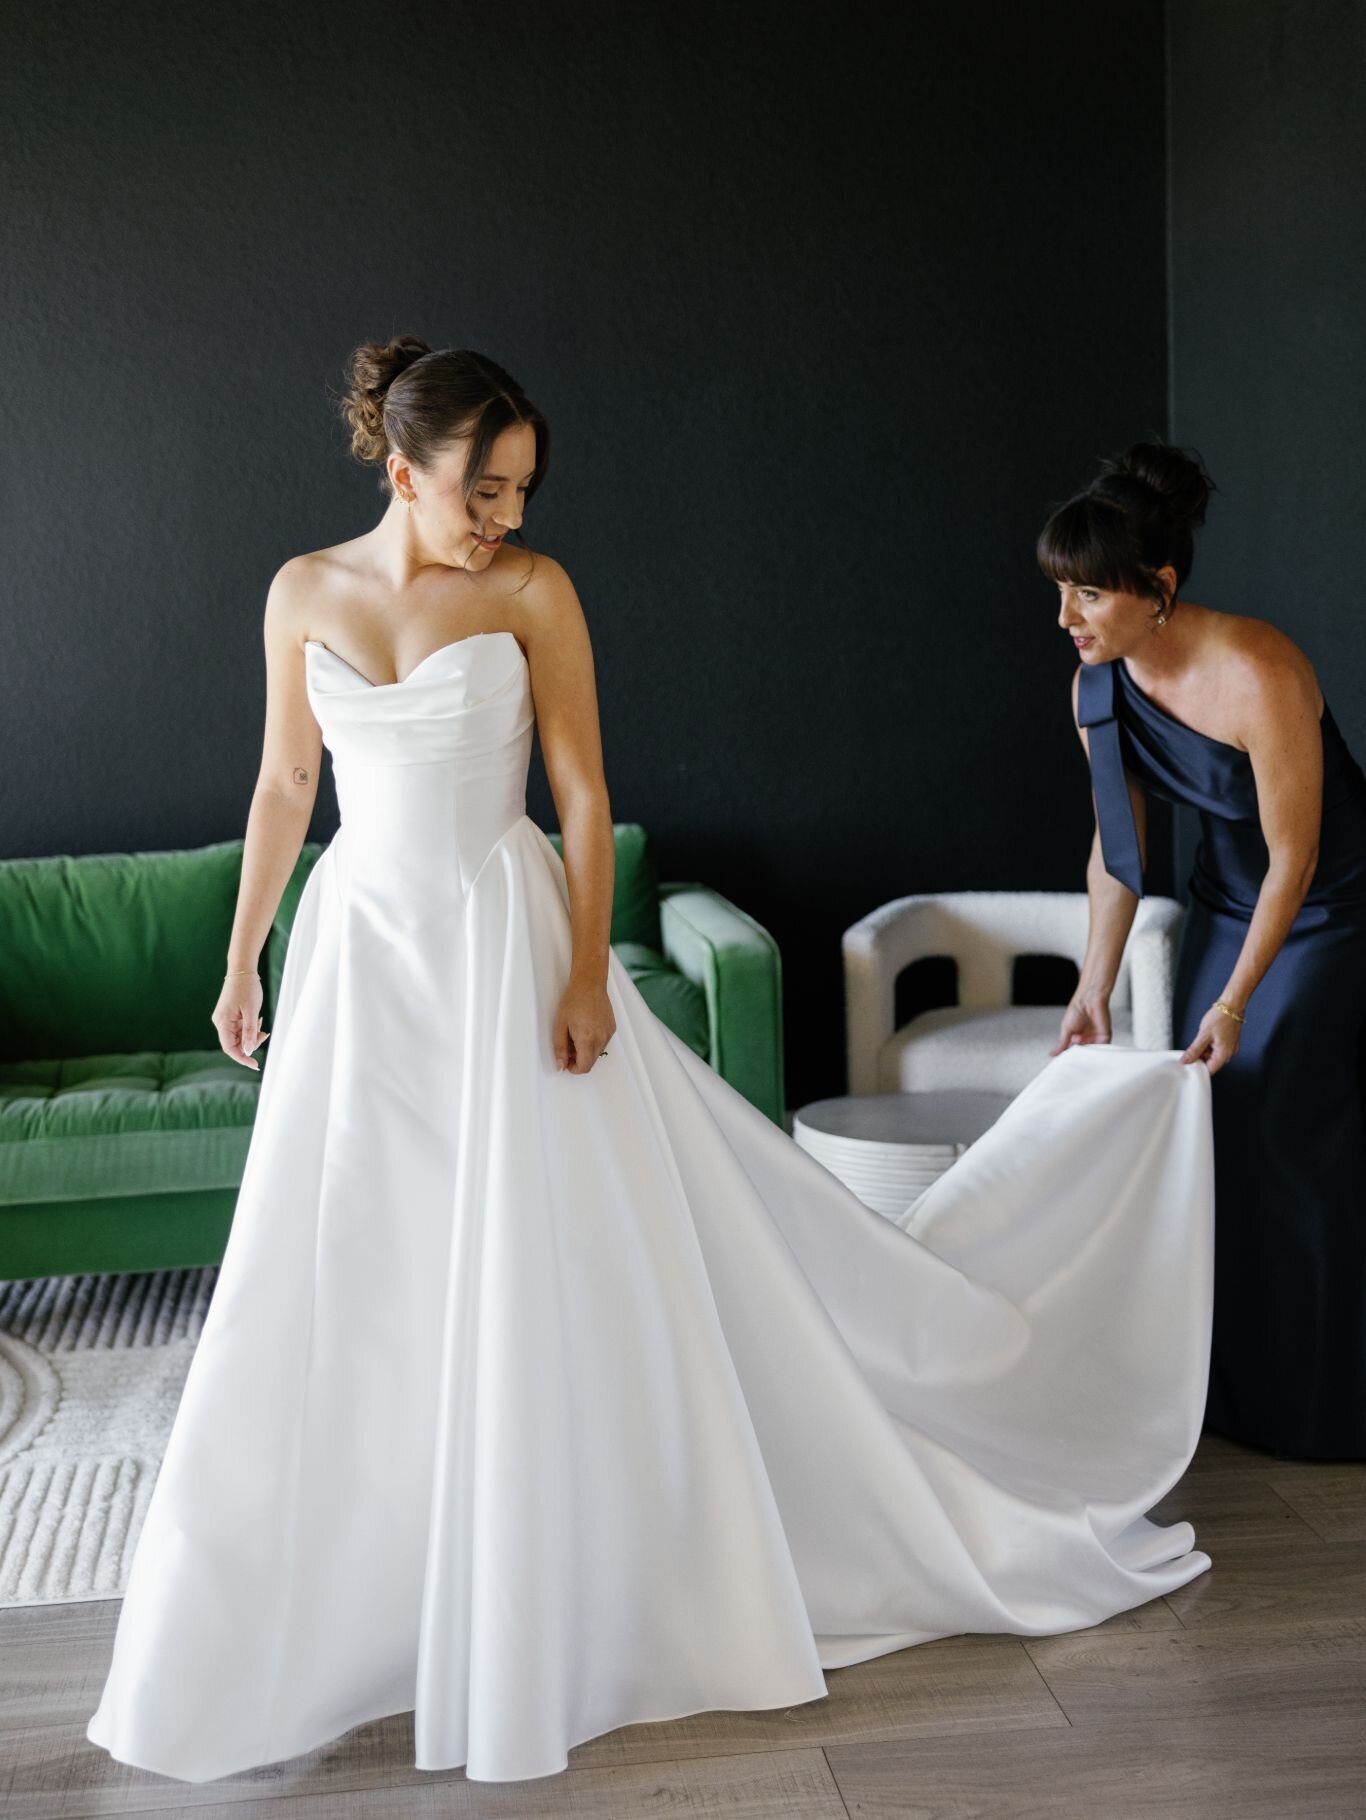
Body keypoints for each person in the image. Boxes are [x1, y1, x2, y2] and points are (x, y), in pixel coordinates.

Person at [86, 344, 1216, 1786]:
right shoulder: (300, 591)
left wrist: (581, 967)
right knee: (352, 1269)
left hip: (501, 950)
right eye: (482, 488)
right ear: (401, 467)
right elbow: (283, 785)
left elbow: (581, 790)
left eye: (521, 491)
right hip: (360, 954)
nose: (504, 514)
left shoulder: (532, 593)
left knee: (534, 1260)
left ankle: (549, 1578)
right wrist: (244, 957)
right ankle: (356, 1600)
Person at [1042, 438, 1366, 1462]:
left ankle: (1324, 1406)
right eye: (1060, 592)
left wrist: (1233, 1003)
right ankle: (1228, 1394)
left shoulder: (1256, 670)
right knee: (1210, 1124)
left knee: (1283, 1121)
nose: (1067, 619)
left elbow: (1297, 855)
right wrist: (1092, 987)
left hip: (1327, 907)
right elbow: (1117, 854)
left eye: (1088, 594)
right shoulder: (1095, 687)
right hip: (1224, 899)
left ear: (1159, 586)